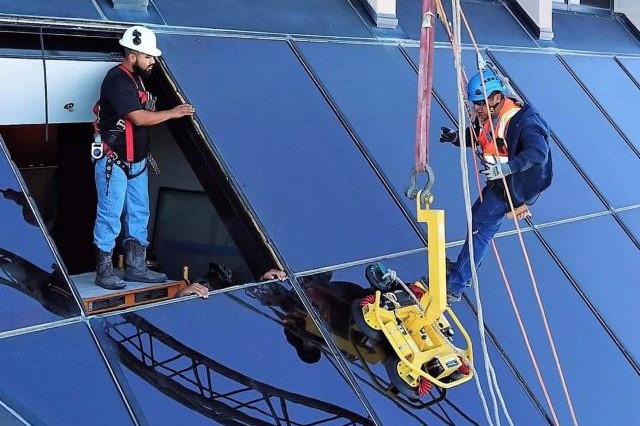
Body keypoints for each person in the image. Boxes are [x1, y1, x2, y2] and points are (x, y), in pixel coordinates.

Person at [93, 25, 195, 290]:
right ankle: (104, 271)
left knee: (139, 213)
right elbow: (138, 117)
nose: (153, 61)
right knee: (110, 214)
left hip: (136, 162)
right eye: (149, 56)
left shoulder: (136, 80)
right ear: (133, 55)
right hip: (113, 161)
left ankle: (136, 268)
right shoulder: (116, 80)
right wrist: (173, 113)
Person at [439, 68, 552, 303]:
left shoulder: (524, 122)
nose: (476, 109)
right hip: (499, 181)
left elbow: (538, 153)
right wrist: (456, 138)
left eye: (481, 103)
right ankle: (462, 269)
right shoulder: (490, 117)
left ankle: (456, 285)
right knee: (475, 219)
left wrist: (507, 168)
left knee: (481, 229)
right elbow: (482, 137)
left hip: (512, 186)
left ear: (497, 97)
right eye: (475, 104)